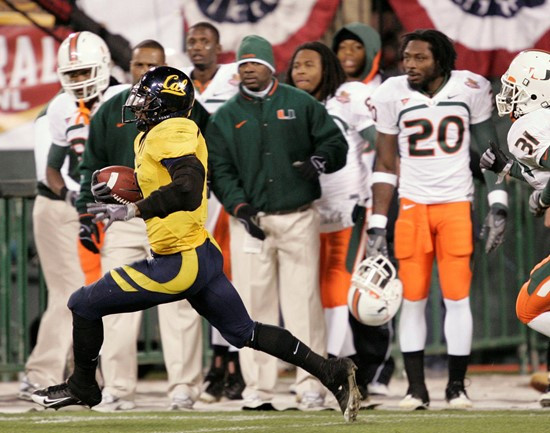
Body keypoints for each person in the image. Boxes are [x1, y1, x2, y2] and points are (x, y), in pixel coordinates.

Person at [30, 66, 361, 423]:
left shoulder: (172, 130)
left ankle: (83, 386)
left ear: (165, 104)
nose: (138, 105)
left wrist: (134, 210)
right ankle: (331, 372)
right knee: (244, 331)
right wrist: (129, 198)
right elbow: (170, 185)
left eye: (146, 99)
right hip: (200, 252)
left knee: (82, 304)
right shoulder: (158, 132)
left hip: (178, 261)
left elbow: (188, 187)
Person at [367, 29, 508, 410]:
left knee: (457, 299)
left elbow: (489, 153)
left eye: (419, 58)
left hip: (455, 206)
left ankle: (456, 387)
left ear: (441, 60)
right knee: (412, 300)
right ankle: (416, 389)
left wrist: (498, 203)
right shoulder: (390, 93)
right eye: (406, 57)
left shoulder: (470, 88)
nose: (409, 64)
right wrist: (378, 222)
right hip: (412, 206)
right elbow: (384, 163)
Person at [206, 35, 348, 410]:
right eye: (243, 64)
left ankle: (311, 385)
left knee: (304, 304)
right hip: (249, 223)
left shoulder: (300, 103)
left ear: (270, 66)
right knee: (252, 307)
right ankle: (258, 387)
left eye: (255, 62)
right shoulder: (225, 116)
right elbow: (218, 170)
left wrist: (319, 161)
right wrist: (239, 207)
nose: (248, 68)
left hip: (298, 216)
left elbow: (336, 146)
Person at [76, 39, 208, 411]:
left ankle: (183, 386)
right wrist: (92, 206)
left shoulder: (185, 112)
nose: (143, 72)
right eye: (137, 65)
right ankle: (119, 387)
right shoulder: (111, 110)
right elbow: (90, 165)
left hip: (172, 215)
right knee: (112, 300)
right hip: (125, 215)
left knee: (180, 304)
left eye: (152, 66)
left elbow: (200, 162)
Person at [18, 31, 125, 400]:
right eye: (73, 74)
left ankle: (88, 376)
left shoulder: (119, 99)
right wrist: (80, 196)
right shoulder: (59, 108)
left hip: (99, 209)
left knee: (98, 293)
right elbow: (53, 171)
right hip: (61, 204)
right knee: (69, 293)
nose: (78, 81)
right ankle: (42, 373)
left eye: (84, 73)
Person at [286, 41, 375, 402]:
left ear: (328, 68)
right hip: (307, 210)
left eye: (309, 64)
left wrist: (370, 197)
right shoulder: (288, 102)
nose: (301, 71)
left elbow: (378, 144)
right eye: (296, 65)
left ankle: (331, 374)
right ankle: (350, 371)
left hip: (345, 207)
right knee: (315, 295)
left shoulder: (349, 95)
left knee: (337, 291)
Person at [479, 49, 550, 408]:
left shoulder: (528, 125)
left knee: (531, 306)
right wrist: (510, 170)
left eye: (515, 87)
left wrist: (543, 199)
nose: (508, 95)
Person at [332, 22, 396, 398]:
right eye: (341, 49)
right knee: (345, 285)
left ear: (371, 49)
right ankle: (353, 366)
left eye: (356, 47)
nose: (347, 55)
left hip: (384, 196)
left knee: (377, 283)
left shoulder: (390, 88)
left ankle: (380, 367)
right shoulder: (333, 92)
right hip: (349, 201)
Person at [182, 21, 244, 402]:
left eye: (206, 41)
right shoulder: (178, 85)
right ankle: (216, 363)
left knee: (230, 277)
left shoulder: (235, 79)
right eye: (193, 41)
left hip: (227, 188)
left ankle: (232, 363)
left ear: (219, 46)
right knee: (200, 278)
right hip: (192, 192)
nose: (199, 47)